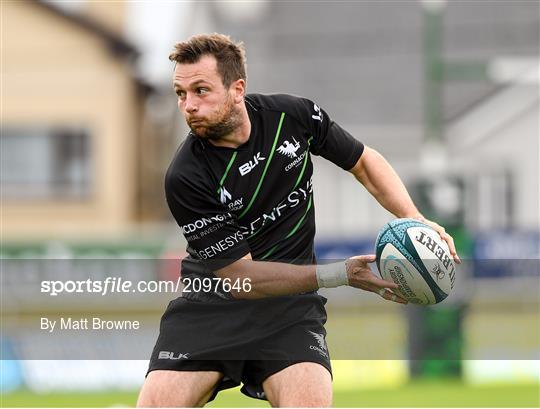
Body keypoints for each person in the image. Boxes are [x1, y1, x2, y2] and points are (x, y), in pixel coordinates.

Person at [137, 33, 460, 408]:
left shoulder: (292, 117)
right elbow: (241, 279)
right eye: (180, 93)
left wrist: (416, 219)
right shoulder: (186, 176)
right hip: (209, 309)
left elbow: (365, 163)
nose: (188, 105)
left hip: (289, 313)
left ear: (237, 88)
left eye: (201, 90)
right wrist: (339, 274)